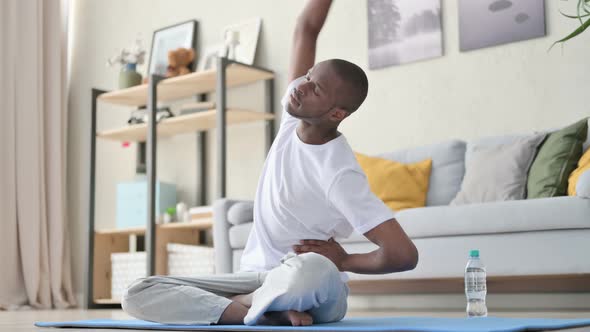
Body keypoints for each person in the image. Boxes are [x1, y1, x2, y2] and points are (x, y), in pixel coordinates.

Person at [121, 0, 418, 326]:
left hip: (311, 284)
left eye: (315, 88)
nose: (300, 88)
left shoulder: (339, 171)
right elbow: (306, 27)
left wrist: (344, 260)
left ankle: (250, 308)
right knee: (138, 291)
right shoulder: (294, 118)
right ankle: (261, 312)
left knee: (313, 270)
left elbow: (403, 254)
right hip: (255, 277)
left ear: (336, 114)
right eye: (307, 76)